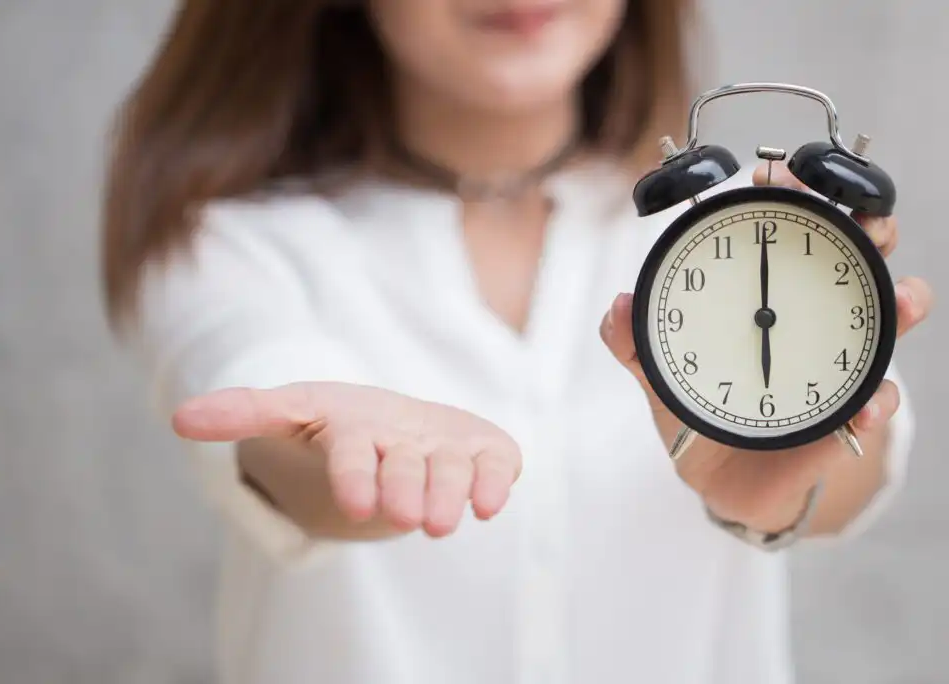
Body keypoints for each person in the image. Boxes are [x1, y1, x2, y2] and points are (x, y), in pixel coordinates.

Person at [100, 1, 932, 683]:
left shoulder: (747, 238)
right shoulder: (231, 241)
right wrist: (351, 461)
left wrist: (778, 491)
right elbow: (266, 415)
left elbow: (860, 459)